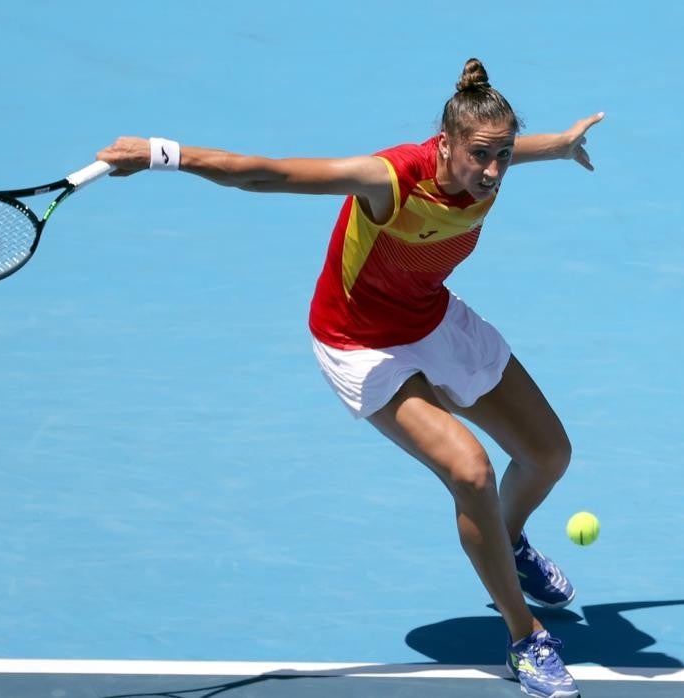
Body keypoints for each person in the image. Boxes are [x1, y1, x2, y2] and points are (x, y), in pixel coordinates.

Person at [97, 58, 603, 698]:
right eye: (483, 155)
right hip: (360, 342)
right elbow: (267, 173)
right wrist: (161, 154)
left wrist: (555, 146)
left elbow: (501, 148)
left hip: (430, 316)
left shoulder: (484, 166)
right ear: (444, 146)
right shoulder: (387, 178)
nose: (496, 170)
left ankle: (504, 543)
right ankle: (526, 638)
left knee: (548, 454)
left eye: (505, 154)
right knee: (471, 470)